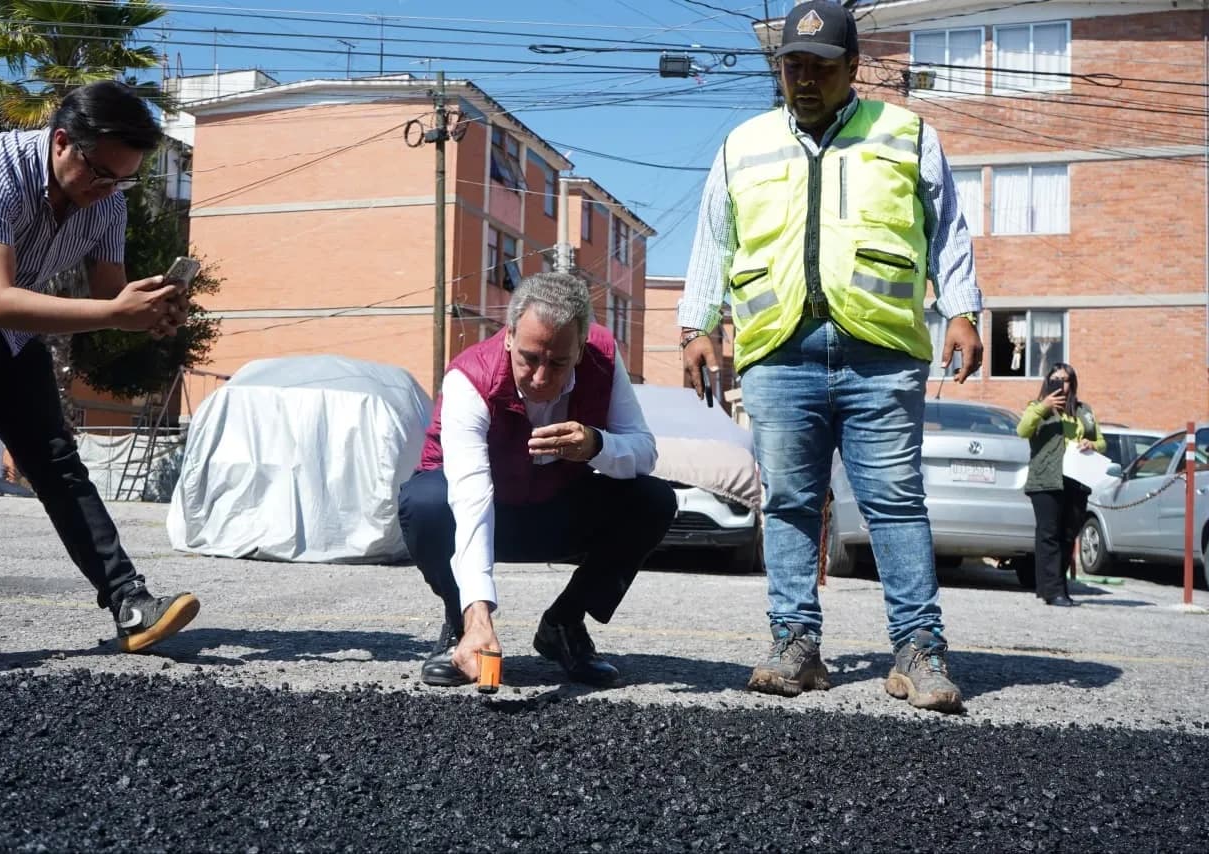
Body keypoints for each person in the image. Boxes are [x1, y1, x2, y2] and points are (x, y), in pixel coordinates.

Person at [679, 1, 983, 713]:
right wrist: (697, 325)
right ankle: (796, 644)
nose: (804, 80)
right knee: (787, 504)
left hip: (879, 350)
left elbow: (949, 230)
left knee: (894, 503)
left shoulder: (905, 135)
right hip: (778, 350)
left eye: (820, 67)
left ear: (853, 68)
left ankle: (918, 648)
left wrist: (963, 309)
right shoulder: (742, 145)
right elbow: (713, 242)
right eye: (792, 66)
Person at [0, 81, 200, 667]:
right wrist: (113, 312)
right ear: (62, 144)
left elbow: (108, 294)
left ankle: (131, 603)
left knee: (54, 458)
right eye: (101, 173)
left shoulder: (106, 200)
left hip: (9, 331)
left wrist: (148, 311)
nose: (107, 189)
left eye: (122, 179)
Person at [398, 272, 675, 689]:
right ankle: (462, 628)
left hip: (557, 512)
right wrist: (479, 613)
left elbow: (644, 452)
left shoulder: (603, 357)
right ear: (508, 336)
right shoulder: (469, 380)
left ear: (581, 347)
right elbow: (470, 498)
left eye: (559, 362)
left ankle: (564, 625)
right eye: (529, 358)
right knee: (424, 502)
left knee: (653, 499)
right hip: (481, 516)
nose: (541, 377)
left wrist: (595, 445)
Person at [1017, 363, 1105, 607]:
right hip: (1046, 480)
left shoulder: (1083, 411)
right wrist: (1044, 408)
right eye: (1055, 379)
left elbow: (1102, 442)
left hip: (1076, 480)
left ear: (1072, 383)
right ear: (1047, 382)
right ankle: (1053, 591)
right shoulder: (1036, 408)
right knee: (1049, 535)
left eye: (1065, 380)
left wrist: (1092, 444)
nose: (1061, 385)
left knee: (1068, 535)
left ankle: (1055, 588)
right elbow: (1023, 430)